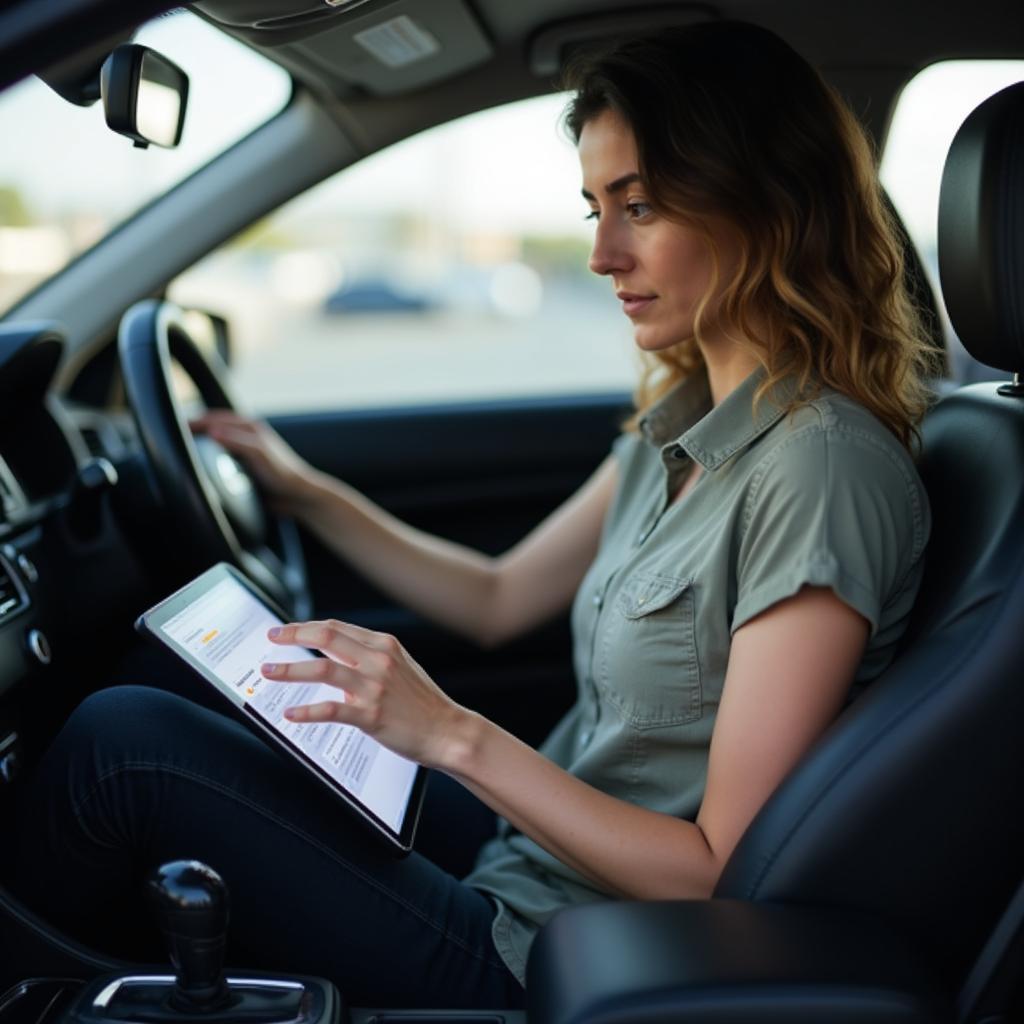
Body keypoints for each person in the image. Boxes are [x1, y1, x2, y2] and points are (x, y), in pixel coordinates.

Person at [14, 20, 935, 1009]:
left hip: (552, 941)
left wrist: (448, 733)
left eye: (641, 206)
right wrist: (305, 488)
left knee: (127, 747)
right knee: (174, 679)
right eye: (592, 208)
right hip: (528, 854)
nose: (600, 253)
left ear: (768, 203)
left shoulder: (820, 472)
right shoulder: (677, 430)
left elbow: (718, 869)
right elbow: (497, 598)